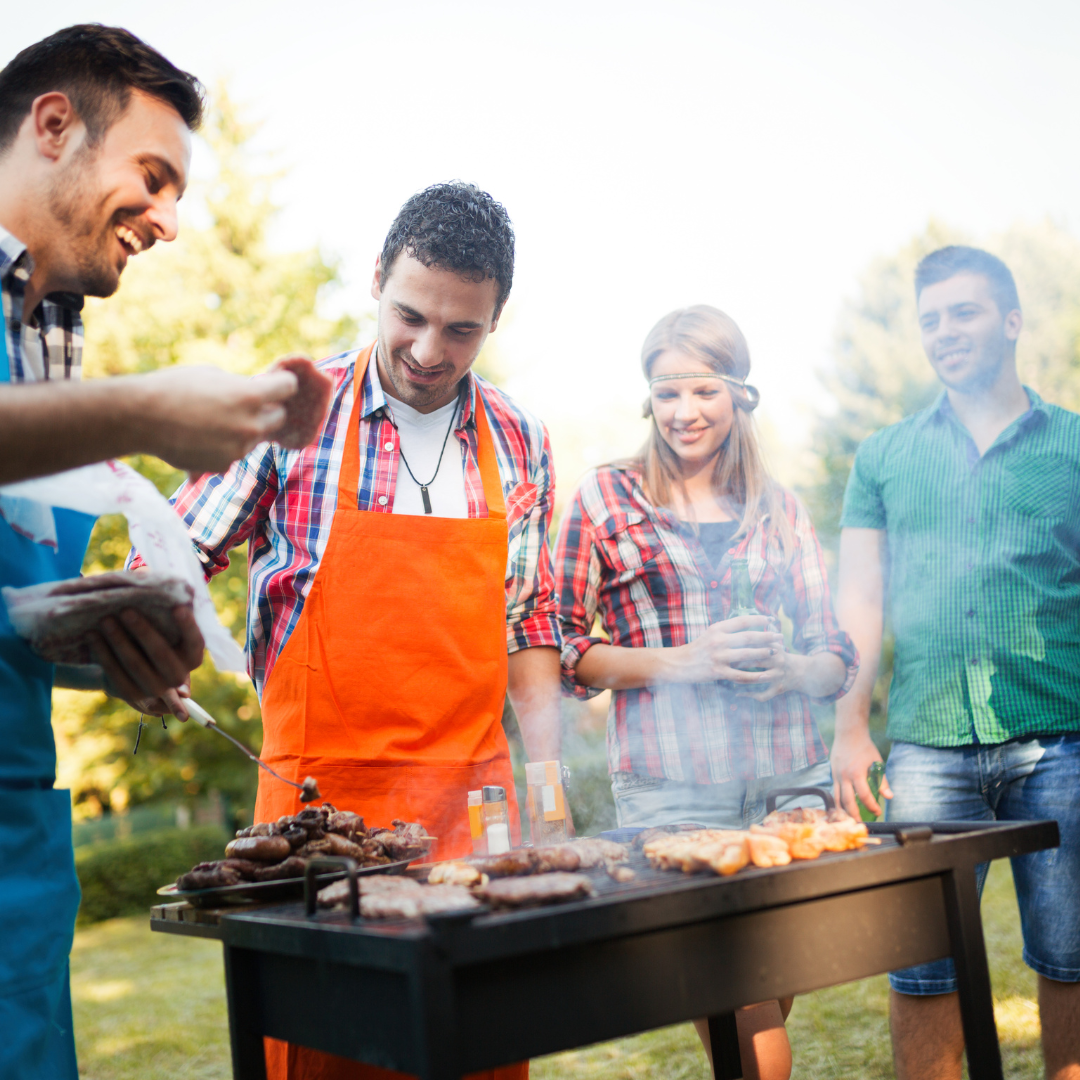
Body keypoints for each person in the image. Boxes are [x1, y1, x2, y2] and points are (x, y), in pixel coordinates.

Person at [131, 181, 562, 1080]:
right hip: (316, 820)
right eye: (411, 315)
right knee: (325, 1048)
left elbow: (523, 625)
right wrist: (146, 640)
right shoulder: (293, 415)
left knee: (479, 1045)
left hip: (472, 811)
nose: (428, 350)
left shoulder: (521, 439)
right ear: (376, 280)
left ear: (495, 322)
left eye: (462, 330)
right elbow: (172, 556)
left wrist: (551, 791)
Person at [0, 24, 309, 1080]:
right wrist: (146, 412)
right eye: (154, 174)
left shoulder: (46, 337)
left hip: (20, 853)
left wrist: (101, 648)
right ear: (54, 125)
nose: (172, 222)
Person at [554, 305, 858, 1080]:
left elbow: (834, 655)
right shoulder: (605, 499)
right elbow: (562, 648)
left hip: (791, 782)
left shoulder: (781, 508)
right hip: (671, 790)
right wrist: (682, 662)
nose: (684, 412)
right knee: (739, 999)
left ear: (739, 395)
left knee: (768, 986)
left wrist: (791, 669)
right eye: (666, 394)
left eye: (702, 391)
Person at [832, 245, 1080, 1080]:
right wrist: (849, 728)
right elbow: (859, 598)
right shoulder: (885, 457)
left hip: (1062, 743)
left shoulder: (1075, 449)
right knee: (922, 967)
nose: (944, 332)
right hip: (927, 747)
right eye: (931, 319)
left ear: (1011, 322)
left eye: (964, 312)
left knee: (1072, 962)